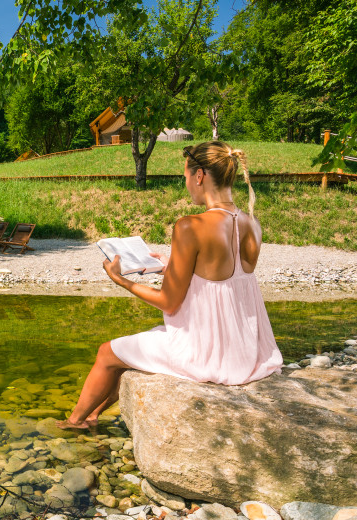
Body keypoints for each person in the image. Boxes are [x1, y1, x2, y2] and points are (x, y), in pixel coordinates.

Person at [58, 140, 283, 430]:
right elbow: (223, 278)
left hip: (205, 352)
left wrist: (120, 279)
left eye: (185, 176)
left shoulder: (191, 226)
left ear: (199, 175)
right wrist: (170, 265)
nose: (186, 182)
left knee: (106, 353)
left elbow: (169, 301)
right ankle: (91, 417)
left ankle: (72, 422)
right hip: (244, 350)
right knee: (133, 349)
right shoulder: (252, 223)